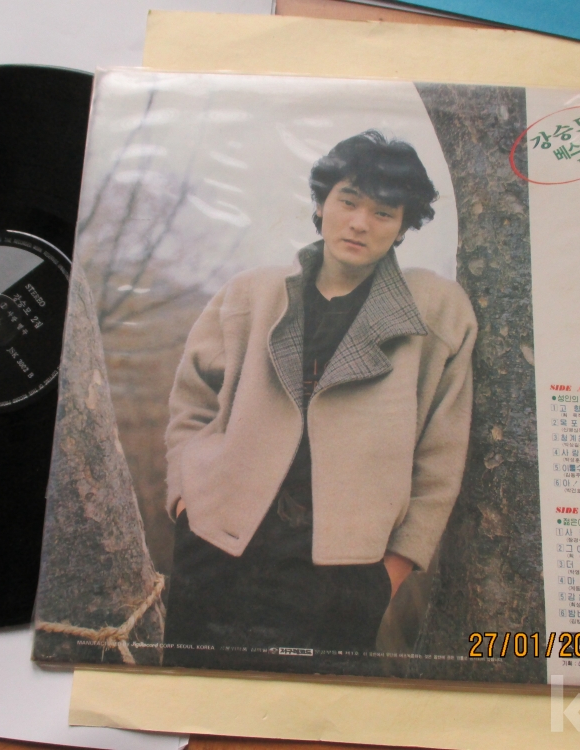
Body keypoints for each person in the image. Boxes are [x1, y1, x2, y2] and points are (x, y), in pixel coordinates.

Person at [162, 130, 477, 669]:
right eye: (348, 202)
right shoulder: (251, 293)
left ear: (404, 227)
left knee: (312, 711)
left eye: (383, 212)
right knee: (191, 697)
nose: (360, 223)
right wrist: (186, 505)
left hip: (345, 575)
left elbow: (441, 457)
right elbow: (191, 404)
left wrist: (390, 572)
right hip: (217, 546)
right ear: (321, 204)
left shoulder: (436, 310)